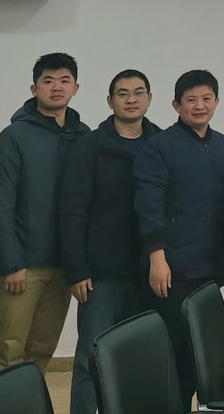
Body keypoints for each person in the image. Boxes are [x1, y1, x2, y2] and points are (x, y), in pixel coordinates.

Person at [60, 69, 160, 414]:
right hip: (100, 274)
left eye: (138, 92)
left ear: (149, 98)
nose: (131, 100)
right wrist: (76, 268)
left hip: (148, 273)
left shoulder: (161, 144)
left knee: (138, 357)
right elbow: (72, 210)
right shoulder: (89, 146)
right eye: (122, 93)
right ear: (110, 101)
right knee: (92, 356)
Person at [134, 69, 224, 411]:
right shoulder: (159, 147)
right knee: (174, 357)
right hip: (172, 270)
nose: (199, 106)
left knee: (203, 354)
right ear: (176, 105)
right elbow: (149, 206)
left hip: (209, 269)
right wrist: (157, 258)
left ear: (216, 102)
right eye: (191, 100)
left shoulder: (222, 145)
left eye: (206, 99)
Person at [0, 52, 89, 374]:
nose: (56, 87)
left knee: (41, 351)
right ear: (34, 89)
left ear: (76, 88)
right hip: (23, 267)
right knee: (8, 352)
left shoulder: (84, 136)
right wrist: (11, 263)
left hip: (64, 267)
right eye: (48, 81)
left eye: (64, 80)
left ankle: (28, 400)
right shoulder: (14, 136)